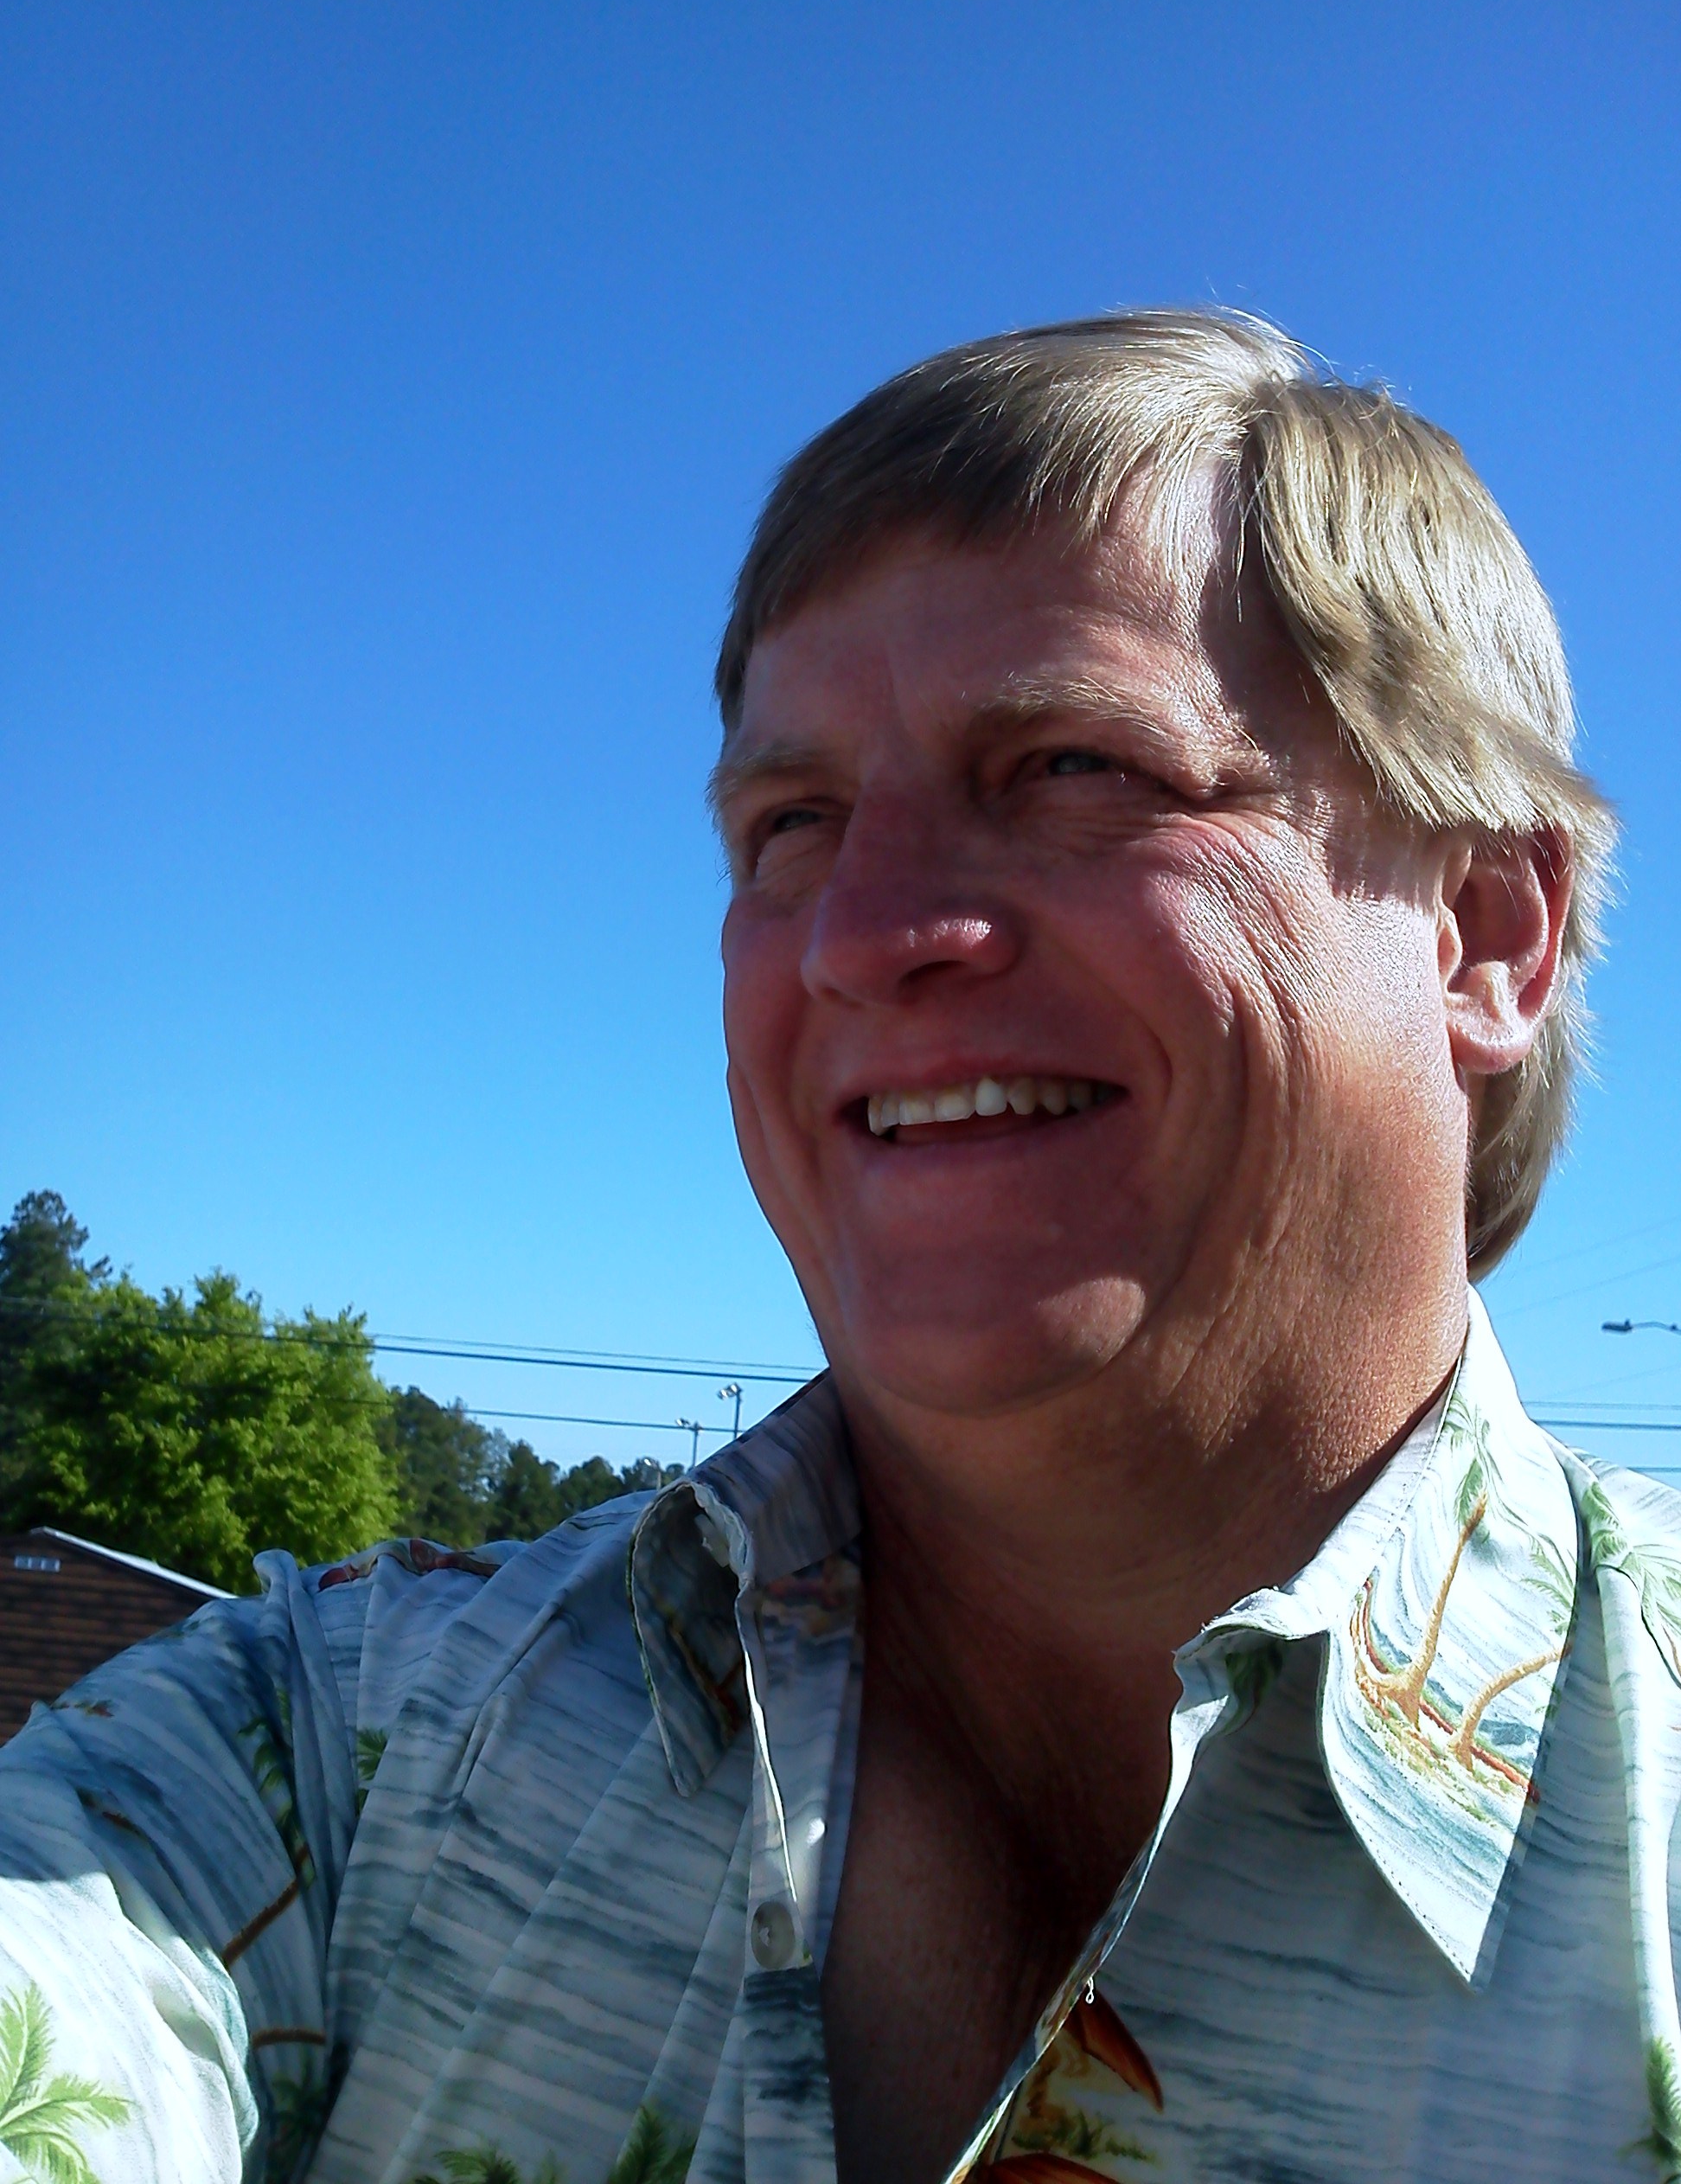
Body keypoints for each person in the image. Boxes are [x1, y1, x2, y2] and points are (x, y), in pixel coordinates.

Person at [0, 310, 1668, 2184]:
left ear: (1487, 928)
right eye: (790, 823)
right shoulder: (329, 1755)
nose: (858, 934)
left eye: (1072, 766)